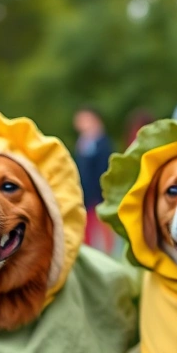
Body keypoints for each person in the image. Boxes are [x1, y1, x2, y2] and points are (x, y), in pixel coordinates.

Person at [72, 106, 114, 253]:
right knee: (87, 226)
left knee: (103, 227)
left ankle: (108, 252)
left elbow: (104, 167)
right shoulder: (83, 142)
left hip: (99, 192)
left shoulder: (102, 142)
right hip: (86, 192)